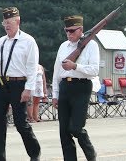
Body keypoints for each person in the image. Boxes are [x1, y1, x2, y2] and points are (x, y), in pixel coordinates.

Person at [0, 7, 40, 161]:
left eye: (9, 22)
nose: (6, 25)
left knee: (20, 122)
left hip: (19, 84)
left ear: (18, 21)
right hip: (2, 83)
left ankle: (34, 152)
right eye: (4, 22)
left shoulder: (28, 41)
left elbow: (32, 67)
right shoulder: (1, 41)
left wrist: (28, 89)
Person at [52, 15, 99, 161]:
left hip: (82, 87)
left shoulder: (91, 45)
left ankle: (90, 153)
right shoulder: (63, 46)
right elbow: (56, 72)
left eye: (72, 31)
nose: (69, 34)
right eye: (67, 30)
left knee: (76, 128)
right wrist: (55, 94)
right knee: (64, 131)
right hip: (65, 86)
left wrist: (75, 66)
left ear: (81, 30)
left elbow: (94, 70)